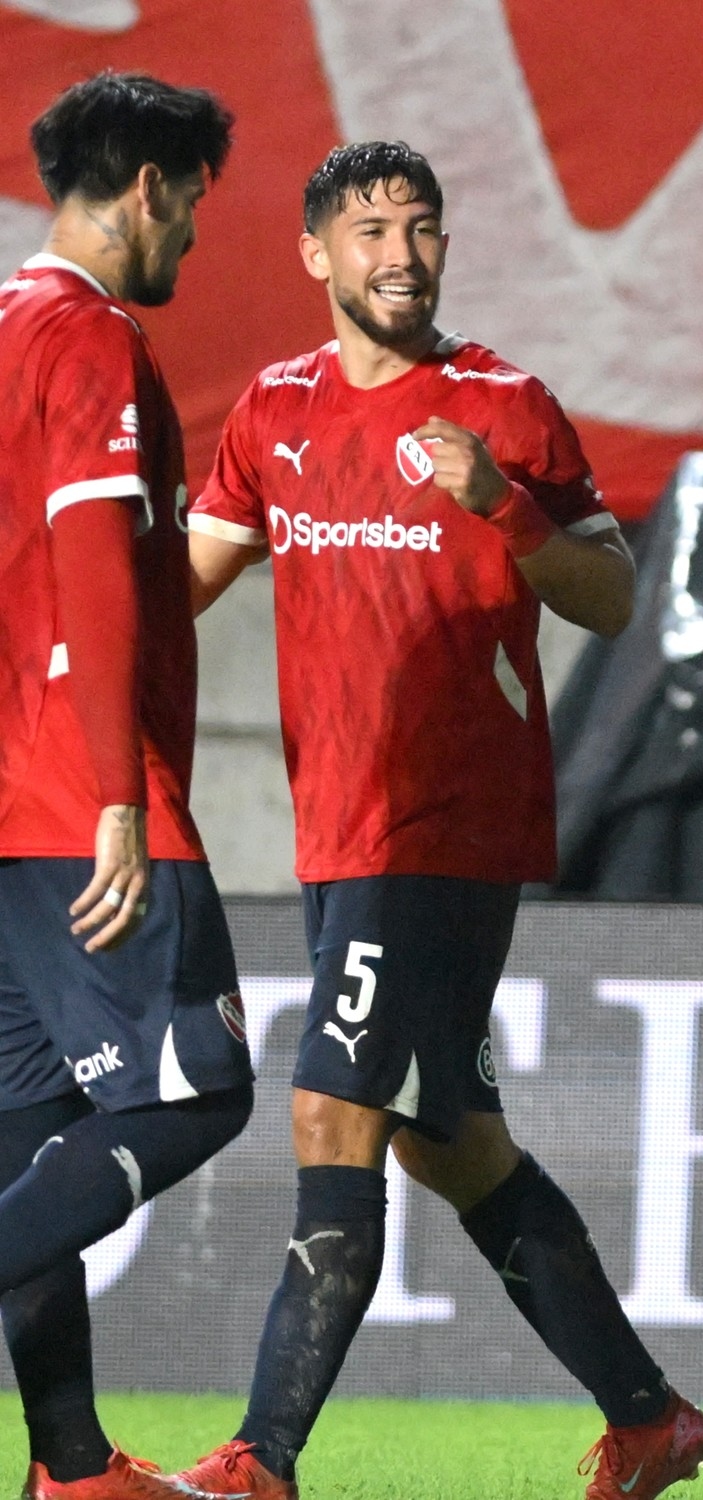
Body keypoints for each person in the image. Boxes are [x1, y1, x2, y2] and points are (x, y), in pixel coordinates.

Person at [169, 141, 703, 1500]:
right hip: (339, 828)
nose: (400, 253)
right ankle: (648, 1418)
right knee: (449, 1140)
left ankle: (262, 1459)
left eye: (421, 228)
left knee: (330, 1113)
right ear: (317, 255)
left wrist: (503, 503)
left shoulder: (504, 406)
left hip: (445, 828)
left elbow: (609, 595)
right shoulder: (274, 412)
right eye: (370, 231)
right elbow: (182, 584)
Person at [0, 72, 258, 1500]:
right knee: (204, 1087)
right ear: (150, 185)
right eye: (198, 203)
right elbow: (94, 563)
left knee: (27, 1133)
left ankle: (72, 1468)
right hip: (72, 796)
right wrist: (116, 794)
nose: (197, 240)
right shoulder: (87, 339)